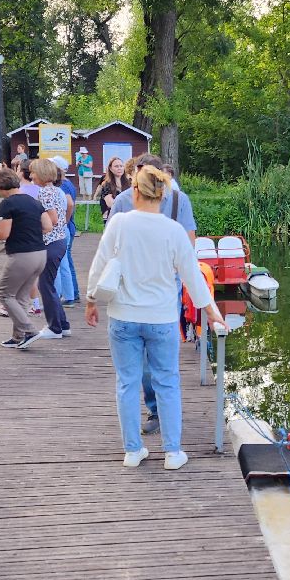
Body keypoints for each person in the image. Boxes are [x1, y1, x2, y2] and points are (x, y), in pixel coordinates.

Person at [85, 164, 225, 470]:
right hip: (161, 318)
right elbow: (192, 276)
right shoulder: (173, 231)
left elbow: (99, 262)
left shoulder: (119, 223)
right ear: (163, 195)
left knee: (127, 383)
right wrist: (212, 312)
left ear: (135, 190)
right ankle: (172, 452)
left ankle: (133, 450)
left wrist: (91, 300)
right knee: (167, 382)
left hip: (123, 316)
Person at [107, 156, 196, 435]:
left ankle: (160, 418)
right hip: (133, 295)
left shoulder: (179, 200)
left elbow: (189, 245)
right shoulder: (123, 202)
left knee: (160, 364)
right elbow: (110, 250)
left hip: (165, 292)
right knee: (147, 366)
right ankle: (157, 411)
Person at [0, 167, 53, 348]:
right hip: (40, 254)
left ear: (0, 188)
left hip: (22, 255)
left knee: (5, 294)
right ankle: (18, 336)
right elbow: (48, 226)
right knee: (21, 297)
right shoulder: (33, 201)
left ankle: (30, 330)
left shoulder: (7, 204)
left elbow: (3, 234)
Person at [29, 157, 72, 338]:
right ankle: (63, 324)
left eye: (33, 172)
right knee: (49, 285)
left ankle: (54, 328)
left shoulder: (45, 193)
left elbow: (52, 220)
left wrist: (31, 229)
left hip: (50, 242)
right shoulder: (56, 190)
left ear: (41, 173)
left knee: (46, 286)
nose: (31, 176)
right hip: (60, 241)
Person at [52, 157, 81, 305]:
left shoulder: (61, 185)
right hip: (68, 226)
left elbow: (69, 204)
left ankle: (71, 294)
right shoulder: (68, 183)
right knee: (66, 261)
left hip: (64, 228)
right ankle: (71, 294)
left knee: (64, 263)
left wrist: (64, 220)